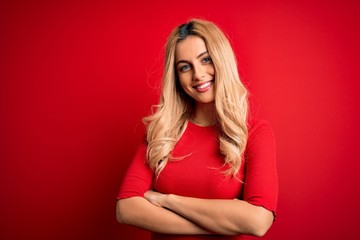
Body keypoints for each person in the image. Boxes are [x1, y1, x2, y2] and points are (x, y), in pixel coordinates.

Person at [116, 18, 278, 239]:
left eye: (206, 60)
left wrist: (167, 200)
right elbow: (126, 209)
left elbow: (258, 221)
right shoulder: (161, 132)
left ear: (222, 60)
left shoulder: (256, 133)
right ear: (176, 77)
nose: (198, 75)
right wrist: (225, 222)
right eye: (185, 67)